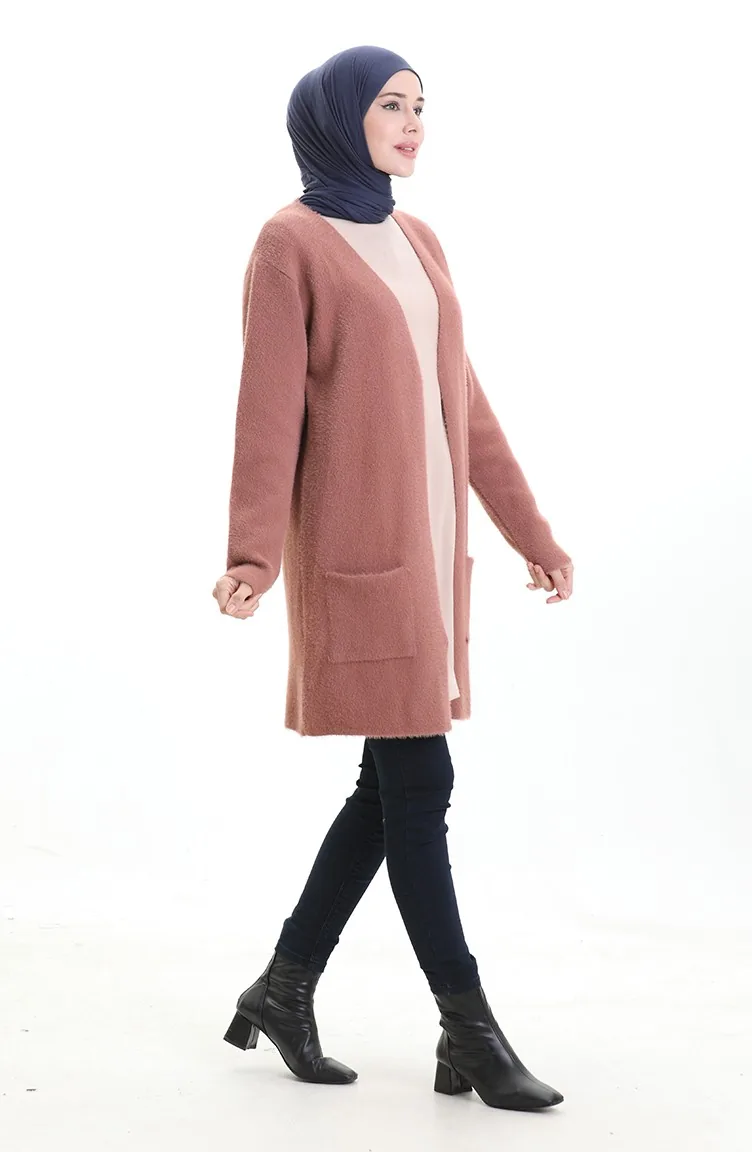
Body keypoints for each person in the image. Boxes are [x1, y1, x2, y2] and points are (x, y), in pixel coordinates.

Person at [213, 45, 573, 1112]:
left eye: (421, 106)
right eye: (390, 105)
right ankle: (468, 1029)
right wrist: (250, 557)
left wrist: (530, 534)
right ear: (339, 119)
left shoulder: (420, 239)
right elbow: (267, 410)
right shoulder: (289, 243)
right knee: (419, 785)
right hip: (357, 558)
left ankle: (283, 987)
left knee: (390, 788)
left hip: (431, 558)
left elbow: (465, 403)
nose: (413, 123)